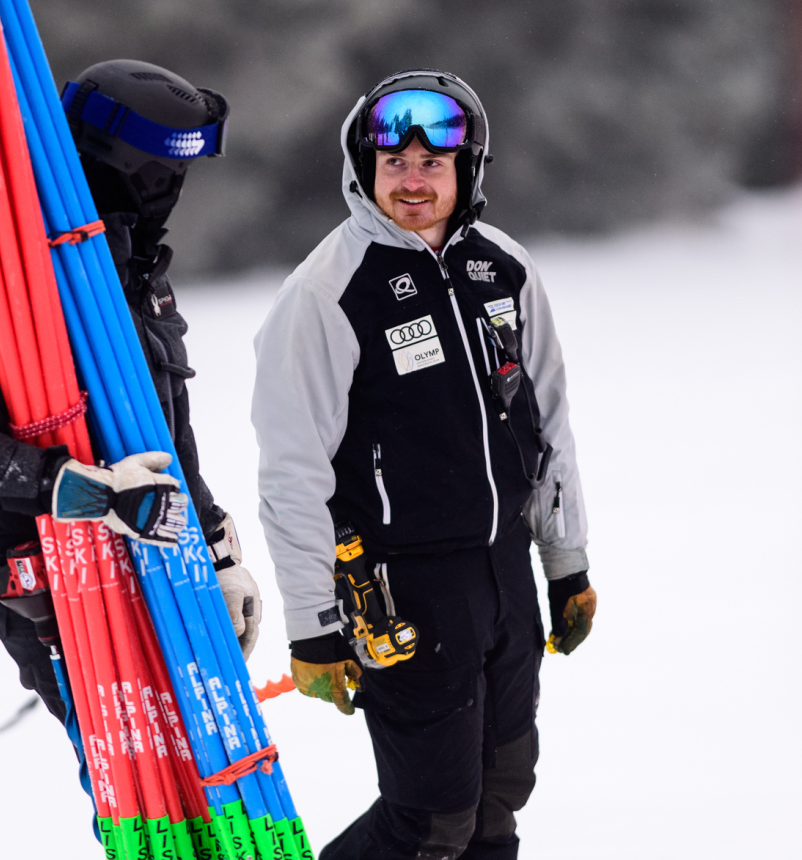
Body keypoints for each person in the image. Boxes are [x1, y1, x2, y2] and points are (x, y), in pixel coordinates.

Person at [252, 70, 597, 859]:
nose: (413, 182)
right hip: (400, 590)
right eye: (394, 165)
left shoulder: (503, 270)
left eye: (431, 165)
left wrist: (566, 563)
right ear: (363, 170)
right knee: (430, 818)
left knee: (499, 795)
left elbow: (549, 424)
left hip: (505, 574)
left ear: (465, 169)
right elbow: (292, 472)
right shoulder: (327, 293)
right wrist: (315, 626)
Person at [0, 60, 262, 734]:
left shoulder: (139, 279)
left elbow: (166, 436)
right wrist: (92, 493)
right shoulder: (19, 287)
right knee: (149, 799)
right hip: (64, 594)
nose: (175, 190)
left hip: (162, 563)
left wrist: (217, 552)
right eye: (163, 173)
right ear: (118, 166)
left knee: (214, 779)